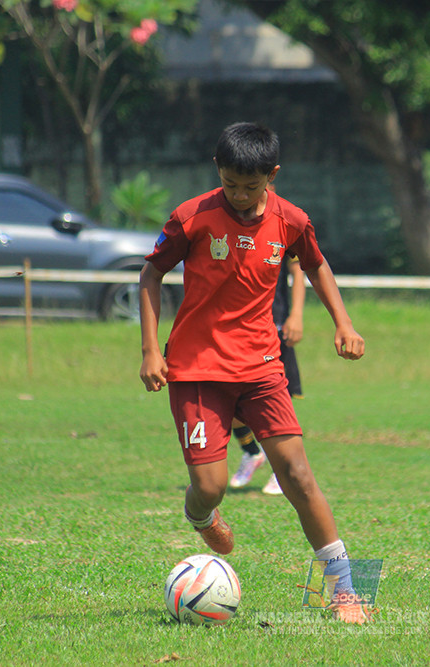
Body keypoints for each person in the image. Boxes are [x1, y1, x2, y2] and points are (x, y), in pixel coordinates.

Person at [138, 122, 369, 622]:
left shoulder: (291, 220)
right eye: (230, 185)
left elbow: (316, 265)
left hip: (262, 367)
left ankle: (346, 592)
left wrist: (344, 322)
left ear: (272, 175)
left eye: (251, 186)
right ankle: (201, 514)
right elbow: (151, 273)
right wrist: (151, 350)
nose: (240, 196)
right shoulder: (191, 217)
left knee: (299, 476)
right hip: (197, 369)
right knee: (211, 486)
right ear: (216, 170)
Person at [229, 255, 306, 495]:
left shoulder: (283, 233)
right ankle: (252, 452)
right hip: (235, 328)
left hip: (274, 326)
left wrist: (296, 315)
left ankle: (280, 470)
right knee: (227, 401)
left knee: (276, 406)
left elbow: (298, 270)